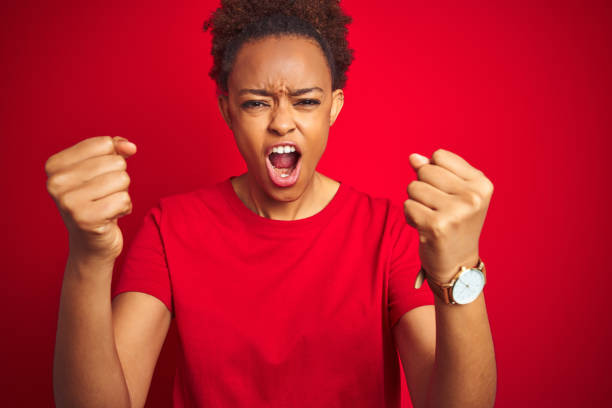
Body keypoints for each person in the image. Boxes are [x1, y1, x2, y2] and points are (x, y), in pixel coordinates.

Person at [46, 1, 497, 407]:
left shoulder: (387, 232)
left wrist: (459, 268)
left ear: (333, 108)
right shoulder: (172, 227)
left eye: (305, 101)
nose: (283, 122)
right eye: (257, 103)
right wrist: (88, 258)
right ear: (227, 110)